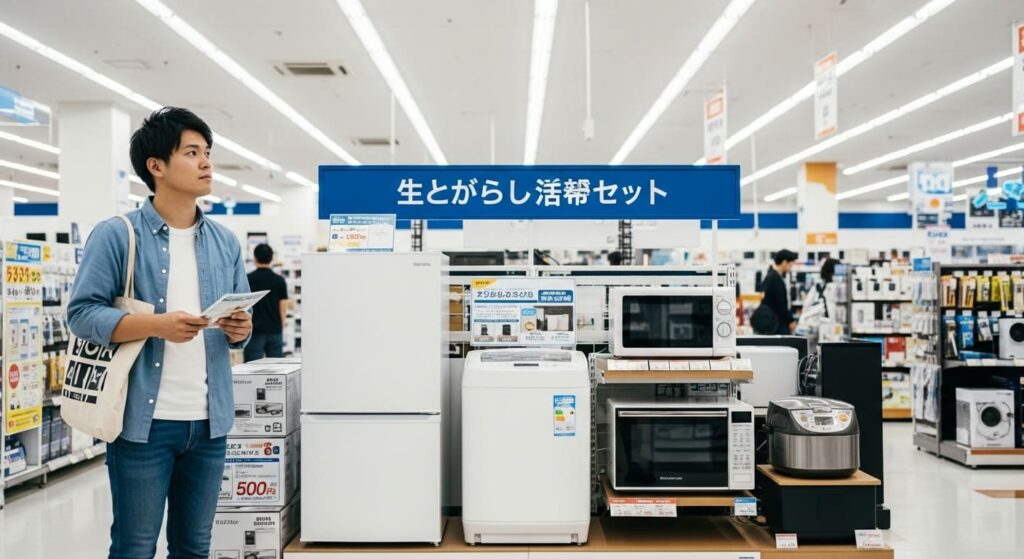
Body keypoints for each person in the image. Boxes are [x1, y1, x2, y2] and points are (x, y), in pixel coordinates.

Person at [67, 107, 252, 559]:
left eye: (207, 152)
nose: (206, 162)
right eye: (192, 152)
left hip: (209, 423)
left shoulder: (225, 242)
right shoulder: (117, 235)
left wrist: (240, 328)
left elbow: (239, 327)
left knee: (194, 548)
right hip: (141, 425)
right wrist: (157, 326)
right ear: (156, 166)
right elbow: (81, 315)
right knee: (134, 547)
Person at [245, 243, 291, 362]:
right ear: (271, 258)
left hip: (254, 330)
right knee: (276, 367)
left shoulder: (247, 279)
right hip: (274, 330)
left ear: (255, 258)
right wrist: (280, 326)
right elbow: (283, 308)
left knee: (252, 367)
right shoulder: (279, 280)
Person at [758, 249, 799, 335]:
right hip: (776, 323)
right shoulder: (774, 278)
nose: (791, 268)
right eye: (790, 265)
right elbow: (780, 303)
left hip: (773, 321)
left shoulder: (771, 276)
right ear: (784, 262)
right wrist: (790, 320)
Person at [796, 258, 841, 335]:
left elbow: (806, 306)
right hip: (832, 327)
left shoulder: (818, 287)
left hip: (820, 328)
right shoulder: (837, 288)